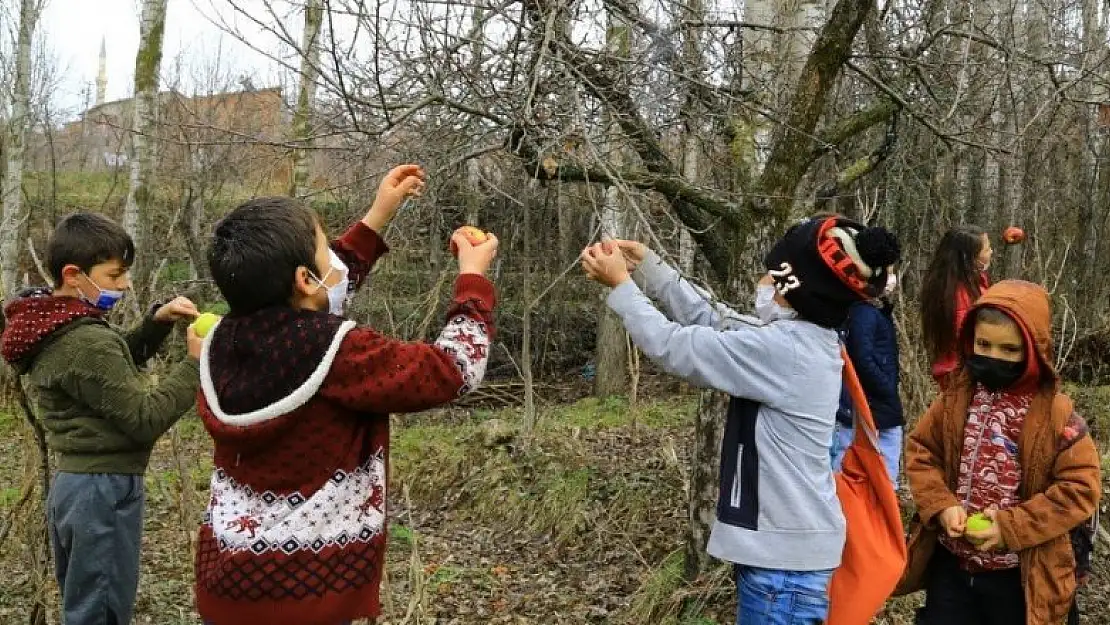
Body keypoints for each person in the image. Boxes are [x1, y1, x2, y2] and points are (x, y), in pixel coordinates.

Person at [194, 165, 500, 625]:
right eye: (325, 249)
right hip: (308, 593)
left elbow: (316, 294)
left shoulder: (219, 342)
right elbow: (452, 369)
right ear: (303, 278)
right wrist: (472, 280)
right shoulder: (342, 352)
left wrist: (377, 217)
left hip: (230, 586)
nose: (334, 261)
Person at [580, 216, 900, 625]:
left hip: (783, 574)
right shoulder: (804, 339)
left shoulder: (785, 351)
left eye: (772, 276)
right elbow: (716, 319)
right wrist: (649, 267)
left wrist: (622, 288)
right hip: (787, 562)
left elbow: (674, 346)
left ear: (793, 289)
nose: (764, 281)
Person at [0, 213, 203, 625]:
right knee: (101, 612)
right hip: (103, 490)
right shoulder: (85, 340)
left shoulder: (52, 325)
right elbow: (144, 418)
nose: (124, 284)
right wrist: (195, 365)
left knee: (86, 605)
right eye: (114, 274)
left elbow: (103, 374)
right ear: (75, 275)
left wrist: (155, 324)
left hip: (78, 486)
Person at [899, 280, 1101, 625]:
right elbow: (922, 452)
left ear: (1034, 351)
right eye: (984, 344)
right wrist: (941, 505)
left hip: (1021, 577)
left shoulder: (1058, 416)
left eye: (1009, 350)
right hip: (954, 567)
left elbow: (1080, 490)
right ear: (969, 342)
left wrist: (1008, 528)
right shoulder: (954, 401)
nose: (993, 357)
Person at [830, 273, 903, 486]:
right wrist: (886, 388)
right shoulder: (864, 313)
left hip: (876, 407)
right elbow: (862, 358)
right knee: (855, 473)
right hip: (869, 406)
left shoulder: (871, 311)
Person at [921, 225, 992, 386]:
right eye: (987, 249)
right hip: (962, 375)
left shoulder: (967, 283)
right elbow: (968, 337)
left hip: (965, 371)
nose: (991, 252)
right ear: (971, 257)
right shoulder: (960, 294)